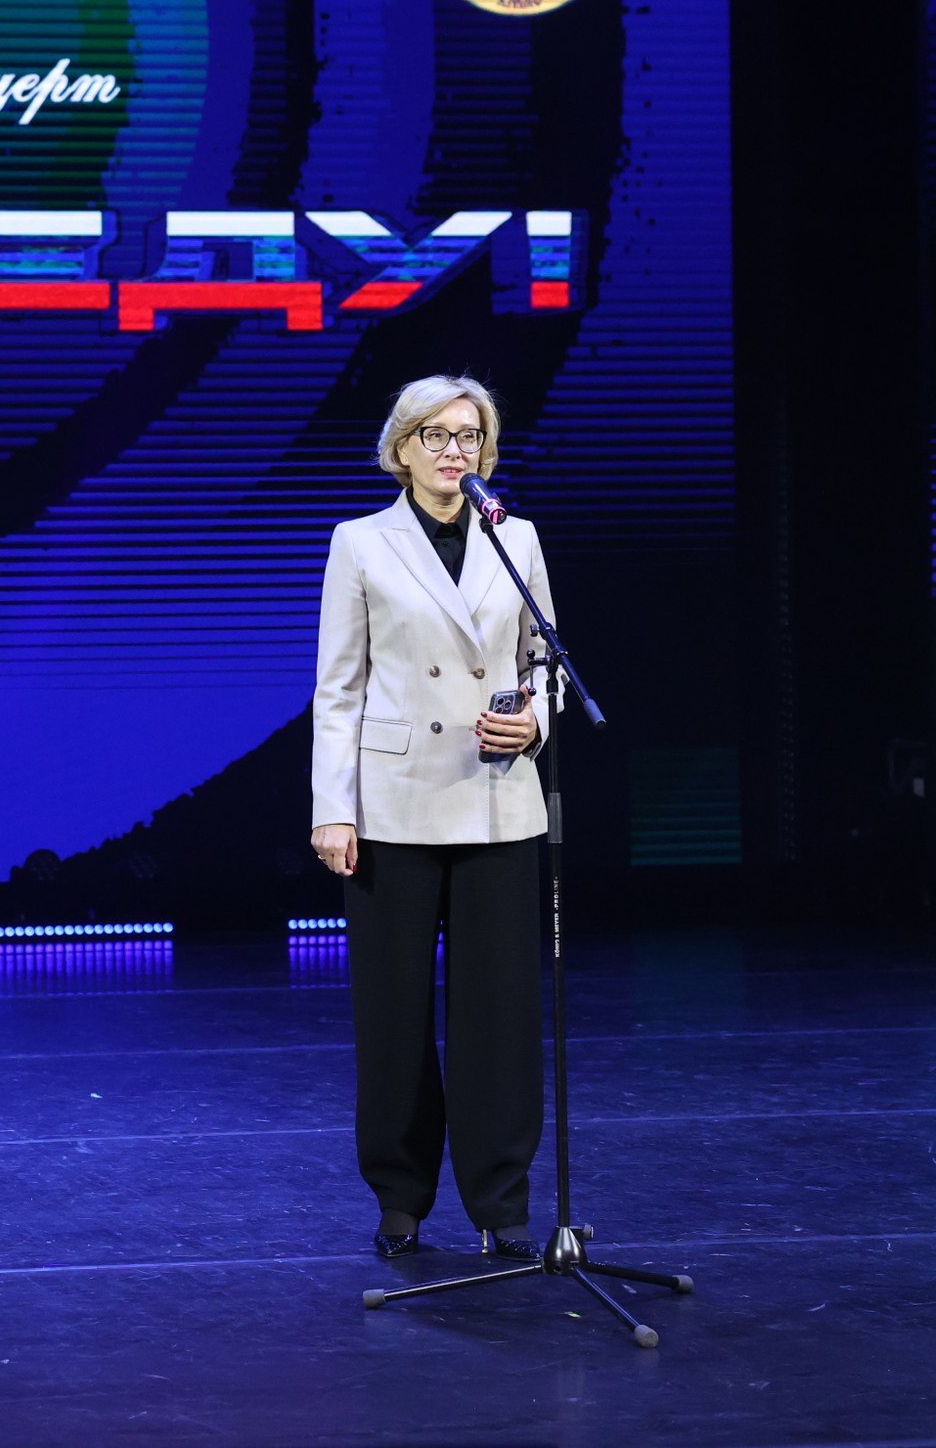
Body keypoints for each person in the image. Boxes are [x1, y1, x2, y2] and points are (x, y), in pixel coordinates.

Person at [309, 374, 551, 1263]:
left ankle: (501, 1200)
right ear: (402, 447)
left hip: (495, 799)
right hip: (393, 805)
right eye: (437, 434)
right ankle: (400, 1197)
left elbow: (543, 658)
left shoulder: (515, 536)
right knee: (394, 1016)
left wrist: (536, 719)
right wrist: (333, 810)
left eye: (469, 435)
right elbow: (339, 687)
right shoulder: (361, 541)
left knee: (500, 1015)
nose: (455, 449)